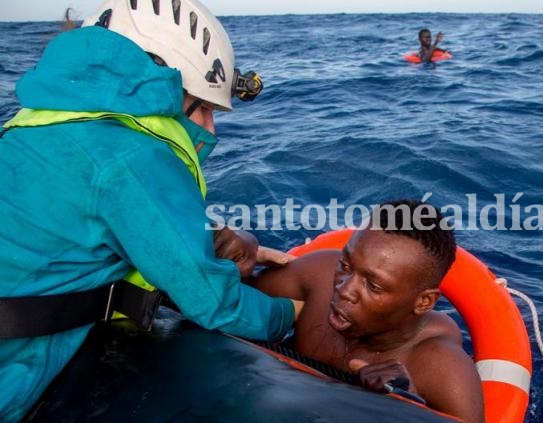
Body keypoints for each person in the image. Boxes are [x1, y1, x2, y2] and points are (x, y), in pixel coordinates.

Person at [0, 0, 300, 420]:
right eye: (206, 108)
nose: (211, 129)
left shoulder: (38, 122)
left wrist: (203, 237)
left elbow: (78, 208)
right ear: (168, 88)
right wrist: (293, 312)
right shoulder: (135, 154)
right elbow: (215, 304)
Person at [249, 200, 485, 423]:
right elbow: (227, 303)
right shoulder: (318, 274)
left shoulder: (441, 370)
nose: (344, 290)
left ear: (424, 302)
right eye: (346, 265)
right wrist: (231, 253)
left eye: (373, 286)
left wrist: (408, 406)